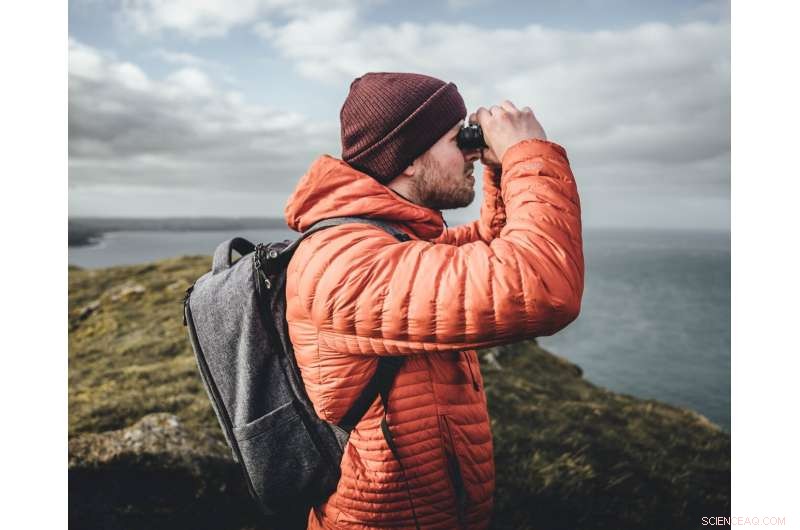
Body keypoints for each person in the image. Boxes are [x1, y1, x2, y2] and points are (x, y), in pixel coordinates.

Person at [283, 72, 584, 530]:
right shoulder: (346, 262)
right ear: (407, 159)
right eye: (456, 138)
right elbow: (541, 286)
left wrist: (500, 168)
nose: (470, 150)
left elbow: (493, 247)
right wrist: (527, 153)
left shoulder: (392, 241)